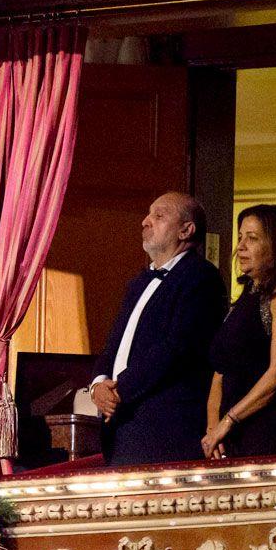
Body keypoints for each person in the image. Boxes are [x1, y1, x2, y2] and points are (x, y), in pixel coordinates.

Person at [90, 193, 226, 466]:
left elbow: (176, 348)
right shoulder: (138, 282)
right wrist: (97, 386)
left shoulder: (201, 277)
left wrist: (118, 391)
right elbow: (114, 344)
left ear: (186, 230)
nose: (145, 222)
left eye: (159, 216)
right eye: (148, 214)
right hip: (123, 427)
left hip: (165, 432)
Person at [203, 205, 276, 459]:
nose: (240, 247)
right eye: (241, 237)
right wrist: (212, 428)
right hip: (228, 437)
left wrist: (229, 420)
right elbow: (220, 370)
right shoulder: (247, 296)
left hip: (266, 434)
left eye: (252, 238)